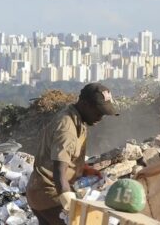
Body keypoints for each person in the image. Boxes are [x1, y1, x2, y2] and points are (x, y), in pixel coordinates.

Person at [26, 83, 119, 225]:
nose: (100, 117)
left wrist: (84, 169)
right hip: (49, 195)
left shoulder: (77, 119)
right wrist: (69, 206)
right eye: (98, 112)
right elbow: (58, 171)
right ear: (85, 104)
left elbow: (67, 158)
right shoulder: (67, 128)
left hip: (39, 192)